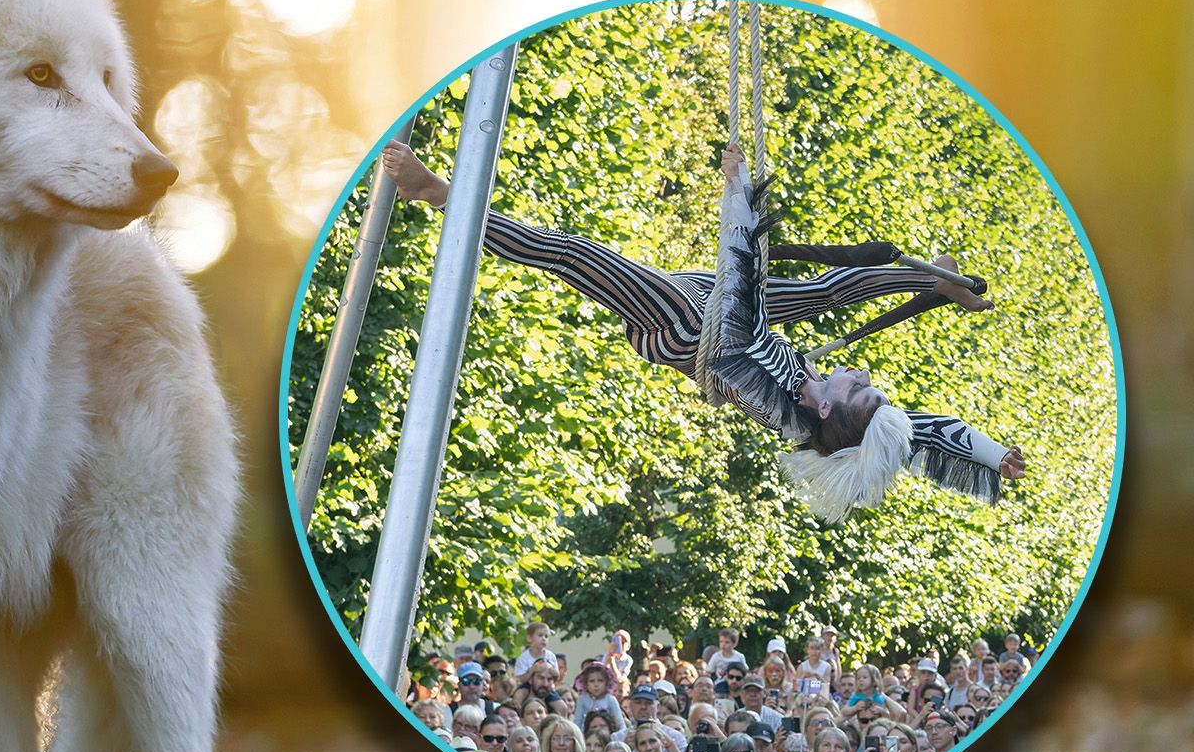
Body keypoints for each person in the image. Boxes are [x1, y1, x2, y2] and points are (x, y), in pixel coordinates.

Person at [378, 140, 1025, 523]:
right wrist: (994, 456)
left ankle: (441, 195)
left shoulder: (779, 398)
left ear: (827, 407)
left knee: (573, 255)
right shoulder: (835, 416)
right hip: (724, 308)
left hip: (691, 325)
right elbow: (925, 434)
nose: (863, 375)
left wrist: (739, 197)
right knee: (824, 292)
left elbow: (739, 296)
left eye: (860, 389)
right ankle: (931, 283)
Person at [573, 660, 626, 733]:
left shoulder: (610, 699)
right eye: (592, 681)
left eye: (600, 681)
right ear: (586, 683)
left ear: (607, 683)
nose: (596, 685)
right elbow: (577, 723)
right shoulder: (582, 699)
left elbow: (621, 725)